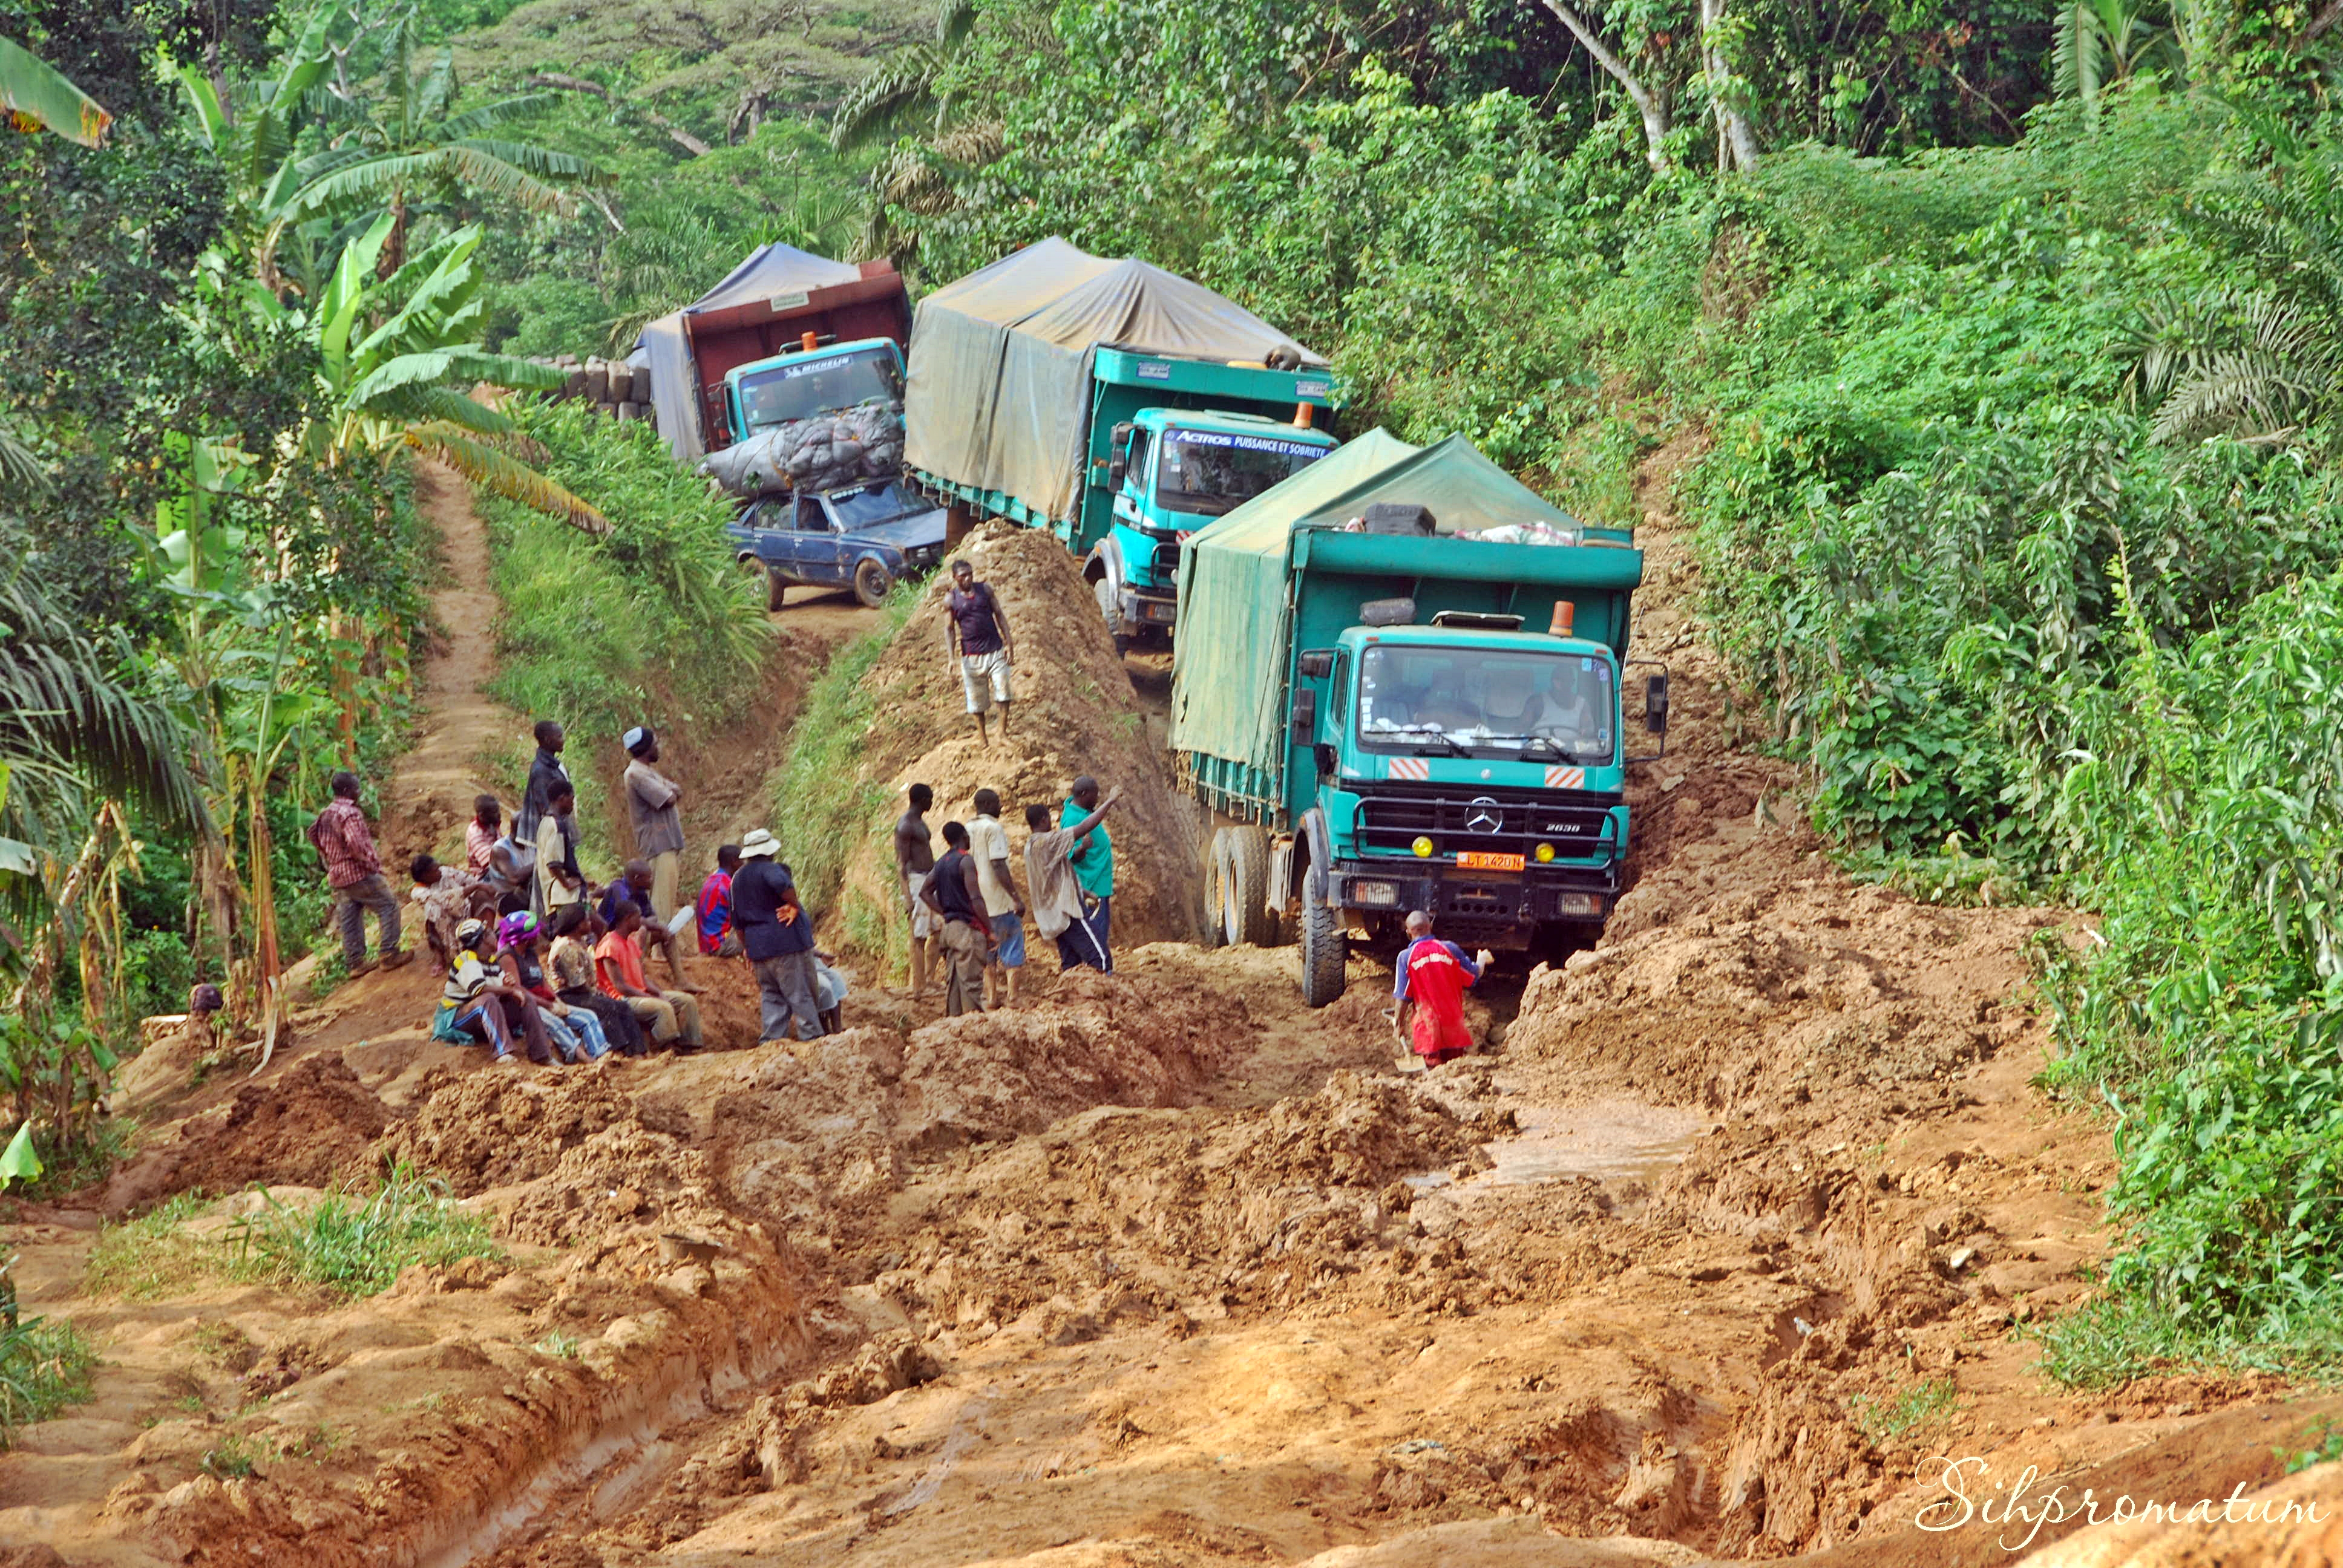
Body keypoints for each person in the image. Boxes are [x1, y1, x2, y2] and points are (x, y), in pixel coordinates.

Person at [307, 771, 409, 977]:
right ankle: (389, 954)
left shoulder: (325, 814)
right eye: (357, 788)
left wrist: (332, 856)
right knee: (389, 906)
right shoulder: (349, 813)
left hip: (338, 874)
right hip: (357, 872)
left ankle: (355, 963)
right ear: (347, 791)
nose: (359, 792)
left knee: (350, 917)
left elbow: (313, 835)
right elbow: (355, 843)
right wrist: (370, 863)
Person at [732, 828, 824, 1041]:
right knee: (800, 993)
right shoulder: (771, 870)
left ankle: (773, 1042)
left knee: (771, 996)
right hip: (785, 945)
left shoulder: (737, 879)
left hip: (758, 948)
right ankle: (812, 1039)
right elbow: (782, 884)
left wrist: (747, 948)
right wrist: (794, 904)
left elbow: (738, 921)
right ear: (769, 852)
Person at [1024, 788, 1122, 973]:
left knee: (1071, 963)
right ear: (1044, 819)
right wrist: (1110, 801)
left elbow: (1054, 875)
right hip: (1068, 911)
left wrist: (1082, 890)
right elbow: (1084, 827)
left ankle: (1073, 998)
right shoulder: (1048, 842)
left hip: (1052, 912)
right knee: (1100, 957)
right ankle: (1105, 992)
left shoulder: (1030, 846)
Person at [431, 917, 554, 1065]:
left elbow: (506, 985)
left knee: (525, 999)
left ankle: (542, 1054)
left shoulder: (491, 960)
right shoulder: (466, 959)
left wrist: (510, 985)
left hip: (480, 1017)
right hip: (454, 1019)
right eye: (489, 933)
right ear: (483, 939)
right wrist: (510, 990)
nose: (494, 935)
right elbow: (478, 989)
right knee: (487, 998)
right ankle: (503, 1052)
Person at [496, 910, 608, 1062]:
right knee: (557, 1024)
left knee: (588, 1017)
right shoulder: (508, 956)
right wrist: (548, 1004)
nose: (539, 936)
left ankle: (601, 1054)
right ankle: (583, 1058)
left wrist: (556, 1001)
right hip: (527, 1007)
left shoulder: (530, 954)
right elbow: (518, 989)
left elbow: (543, 982)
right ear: (526, 938)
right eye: (535, 933)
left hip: (544, 1000)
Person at [595, 902, 703, 1050]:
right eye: (638, 917)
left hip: (639, 994)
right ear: (628, 919)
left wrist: (658, 992)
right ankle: (665, 1048)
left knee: (687, 1001)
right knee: (663, 1008)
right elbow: (621, 987)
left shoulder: (631, 943)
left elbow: (642, 977)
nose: (641, 921)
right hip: (621, 1000)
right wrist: (649, 997)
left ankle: (690, 1045)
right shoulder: (609, 945)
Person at [1392, 910, 1493, 1068]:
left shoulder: (1406, 957)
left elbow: (1403, 997)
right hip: (1453, 1025)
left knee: (1434, 1073)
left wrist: (1398, 1024)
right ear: (1430, 926)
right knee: (1454, 1070)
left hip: (1428, 1027)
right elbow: (1474, 976)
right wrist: (1481, 959)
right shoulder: (1450, 949)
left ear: (1408, 932)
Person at [549, 903, 647, 1056]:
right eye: (587, 921)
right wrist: (595, 992)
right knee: (607, 1007)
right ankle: (616, 1050)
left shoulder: (578, 943)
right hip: (569, 995)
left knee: (622, 1006)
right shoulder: (567, 948)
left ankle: (637, 1051)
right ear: (578, 925)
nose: (590, 923)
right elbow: (576, 983)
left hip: (581, 992)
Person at [920, 820, 995, 1016]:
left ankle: (954, 1028)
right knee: (971, 985)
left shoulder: (942, 862)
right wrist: (990, 930)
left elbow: (925, 892)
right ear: (963, 837)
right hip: (966, 931)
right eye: (968, 836)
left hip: (949, 931)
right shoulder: (965, 860)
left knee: (954, 983)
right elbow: (976, 898)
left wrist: (945, 912)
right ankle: (973, 1032)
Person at [943, 559, 1015, 746]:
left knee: (1004, 690)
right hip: (971, 656)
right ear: (955, 578)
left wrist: (1009, 643)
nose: (968, 578)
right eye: (963, 575)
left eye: (970, 574)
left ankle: (1002, 732)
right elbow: (949, 629)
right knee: (976, 699)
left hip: (995, 650)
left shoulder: (985, 590)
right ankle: (982, 737)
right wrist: (951, 658)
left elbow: (999, 614)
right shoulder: (951, 600)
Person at [600, 859, 698, 991]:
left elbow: (652, 916)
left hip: (630, 936)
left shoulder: (641, 893)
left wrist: (648, 923)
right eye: (648, 877)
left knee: (666, 934)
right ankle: (639, 976)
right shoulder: (619, 889)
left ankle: (681, 981)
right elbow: (626, 919)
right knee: (642, 930)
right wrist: (649, 923)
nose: (651, 880)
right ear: (637, 878)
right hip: (611, 940)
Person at [967, 788, 1024, 1007]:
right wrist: (1015, 897)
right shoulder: (994, 829)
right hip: (999, 901)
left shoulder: (967, 828)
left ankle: (991, 998)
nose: (1001, 807)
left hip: (978, 903)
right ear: (989, 805)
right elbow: (998, 864)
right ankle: (1013, 998)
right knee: (1011, 946)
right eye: (998, 803)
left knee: (987, 952)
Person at [622, 725, 686, 922]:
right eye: (655, 743)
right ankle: (655, 950)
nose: (658, 747)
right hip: (659, 844)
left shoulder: (646, 772)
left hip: (665, 843)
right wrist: (669, 789)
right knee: (660, 905)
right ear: (646, 747)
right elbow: (669, 798)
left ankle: (656, 949)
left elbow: (678, 791)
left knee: (664, 901)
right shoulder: (636, 774)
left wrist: (670, 790)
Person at [1058, 775, 1116, 973]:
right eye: (1095, 795)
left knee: (1096, 933)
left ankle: (1082, 972)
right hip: (1089, 887)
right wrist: (1082, 848)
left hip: (1097, 883)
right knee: (1095, 936)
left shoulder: (1081, 812)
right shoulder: (1072, 818)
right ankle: (1099, 972)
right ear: (1084, 794)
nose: (1097, 798)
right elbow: (1072, 855)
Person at [894, 783, 939, 996]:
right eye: (930, 799)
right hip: (916, 880)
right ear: (922, 800)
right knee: (919, 935)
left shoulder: (919, 822)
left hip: (928, 879)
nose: (932, 802)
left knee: (938, 931)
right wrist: (907, 896)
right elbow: (901, 863)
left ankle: (929, 979)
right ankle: (918, 986)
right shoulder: (906, 825)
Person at [408, 853, 476, 969]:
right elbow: (444, 899)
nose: (439, 871)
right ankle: (452, 954)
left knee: (482, 897)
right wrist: (474, 888)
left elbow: (469, 880)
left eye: (438, 868)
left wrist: (475, 890)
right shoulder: (418, 892)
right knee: (433, 910)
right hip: (443, 922)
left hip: (465, 911)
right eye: (435, 870)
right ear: (425, 876)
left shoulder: (445, 872)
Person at [535, 780, 588, 916]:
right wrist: (566, 883)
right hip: (562, 895)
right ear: (562, 798)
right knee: (594, 925)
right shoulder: (557, 825)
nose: (573, 803)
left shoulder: (545, 822)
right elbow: (553, 863)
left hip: (553, 891)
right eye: (572, 798)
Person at [516, 719, 571, 848]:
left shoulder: (553, 765)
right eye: (559, 736)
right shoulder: (541, 771)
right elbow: (545, 807)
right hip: (547, 837)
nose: (563, 740)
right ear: (548, 740)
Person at [696, 844, 743, 957]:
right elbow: (743, 916)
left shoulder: (712, 879)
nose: (743, 865)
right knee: (762, 935)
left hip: (706, 945)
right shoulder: (728, 885)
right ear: (734, 862)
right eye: (742, 861)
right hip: (719, 946)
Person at [466, 795, 503, 876]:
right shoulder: (475, 833)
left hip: (499, 865)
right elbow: (491, 860)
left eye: (498, 809)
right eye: (495, 812)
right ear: (482, 815)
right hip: (485, 875)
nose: (499, 814)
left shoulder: (492, 824)